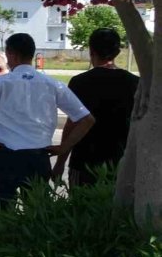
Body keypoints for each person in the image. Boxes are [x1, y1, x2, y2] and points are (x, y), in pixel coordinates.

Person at [0, 33, 96, 212]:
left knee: (4, 214)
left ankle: (6, 239)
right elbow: (86, 119)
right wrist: (63, 147)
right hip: (37, 156)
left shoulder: (1, 82)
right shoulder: (52, 84)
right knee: (36, 215)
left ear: (11, 54)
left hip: (4, 155)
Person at [53, 28, 139, 186]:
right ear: (118, 52)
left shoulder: (80, 82)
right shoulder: (134, 83)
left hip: (84, 162)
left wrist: (60, 163)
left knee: (81, 207)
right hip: (121, 164)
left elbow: (71, 125)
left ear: (91, 51)